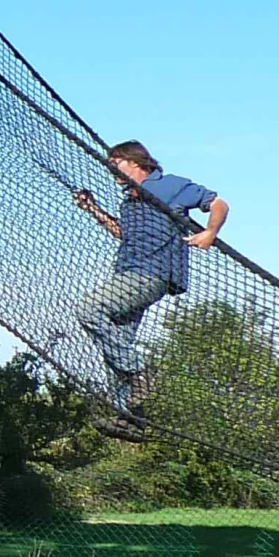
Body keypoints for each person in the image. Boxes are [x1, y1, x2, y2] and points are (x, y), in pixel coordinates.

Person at [70, 141, 229, 425]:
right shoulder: (130, 200)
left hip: (150, 274)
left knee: (89, 309)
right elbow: (123, 233)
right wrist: (92, 208)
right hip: (128, 271)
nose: (112, 170)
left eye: (116, 163)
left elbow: (218, 203)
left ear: (136, 162)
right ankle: (130, 416)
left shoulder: (170, 186)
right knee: (117, 344)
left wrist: (210, 233)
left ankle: (140, 372)